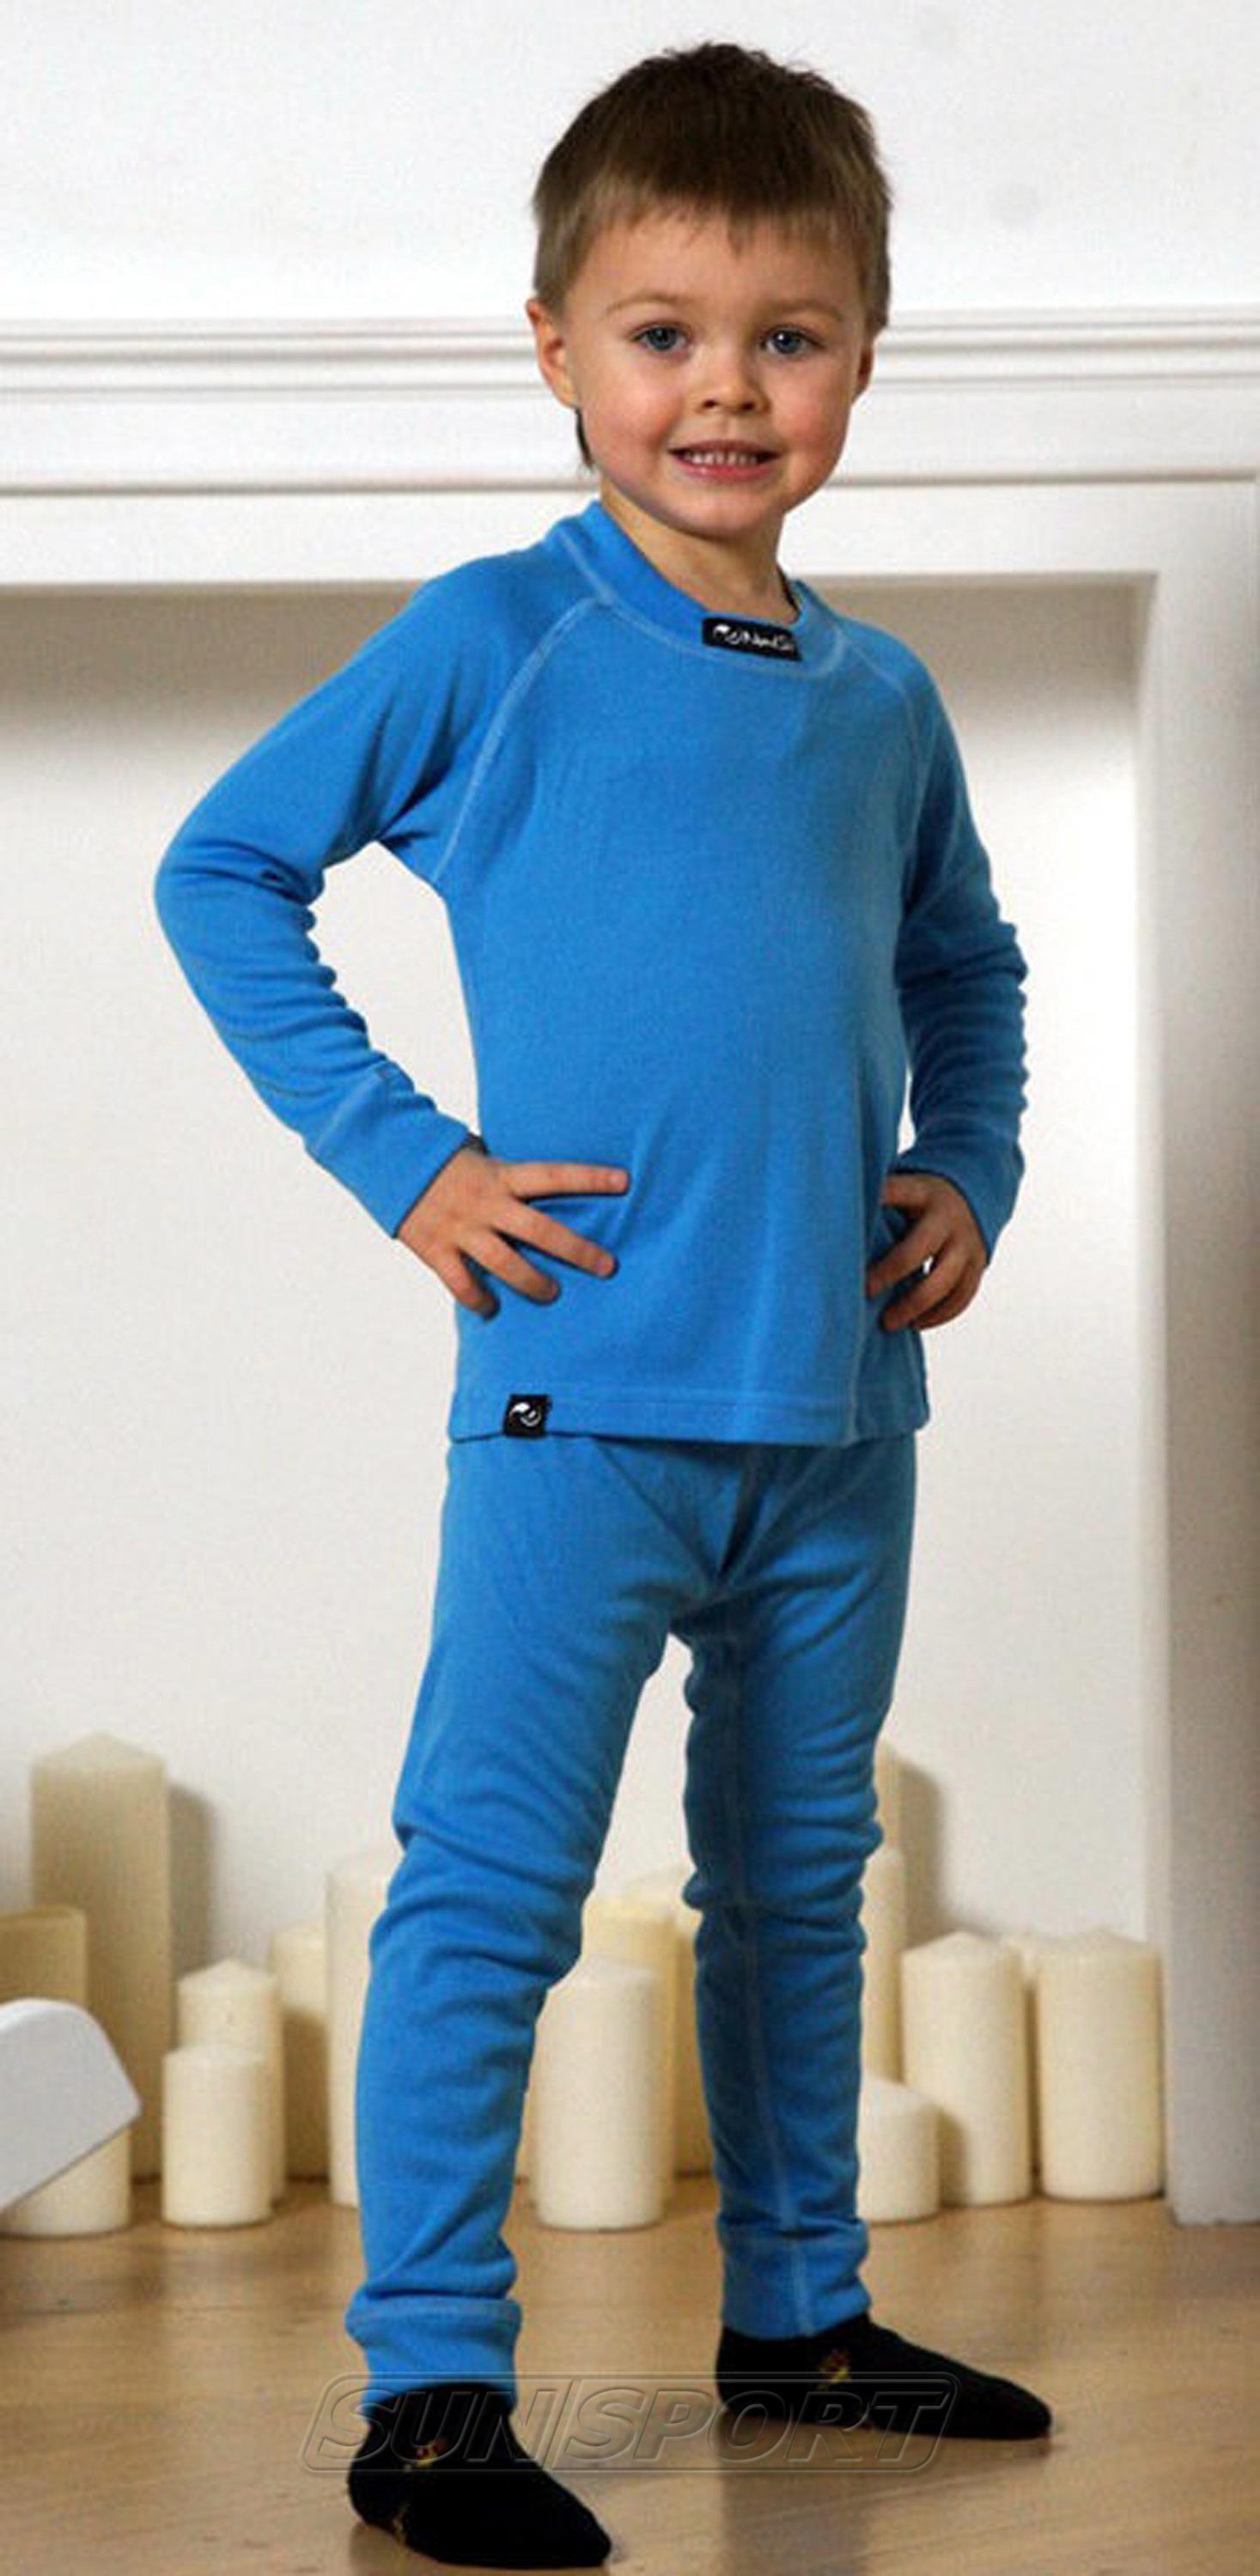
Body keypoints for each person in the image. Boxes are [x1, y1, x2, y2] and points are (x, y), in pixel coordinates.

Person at [153, 38, 1051, 2568]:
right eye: (663, 335)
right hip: (582, 1407)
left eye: (787, 337)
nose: (724, 391)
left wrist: (966, 1167)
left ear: (862, 355)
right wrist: (410, 1163)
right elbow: (225, 870)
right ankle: (433, 2387)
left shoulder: (881, 700)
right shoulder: (499, 639)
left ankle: (802, 2315)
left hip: (841, 1412)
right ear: (555, 345)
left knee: (795, 1884)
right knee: (492, 1885)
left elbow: (966, 971)